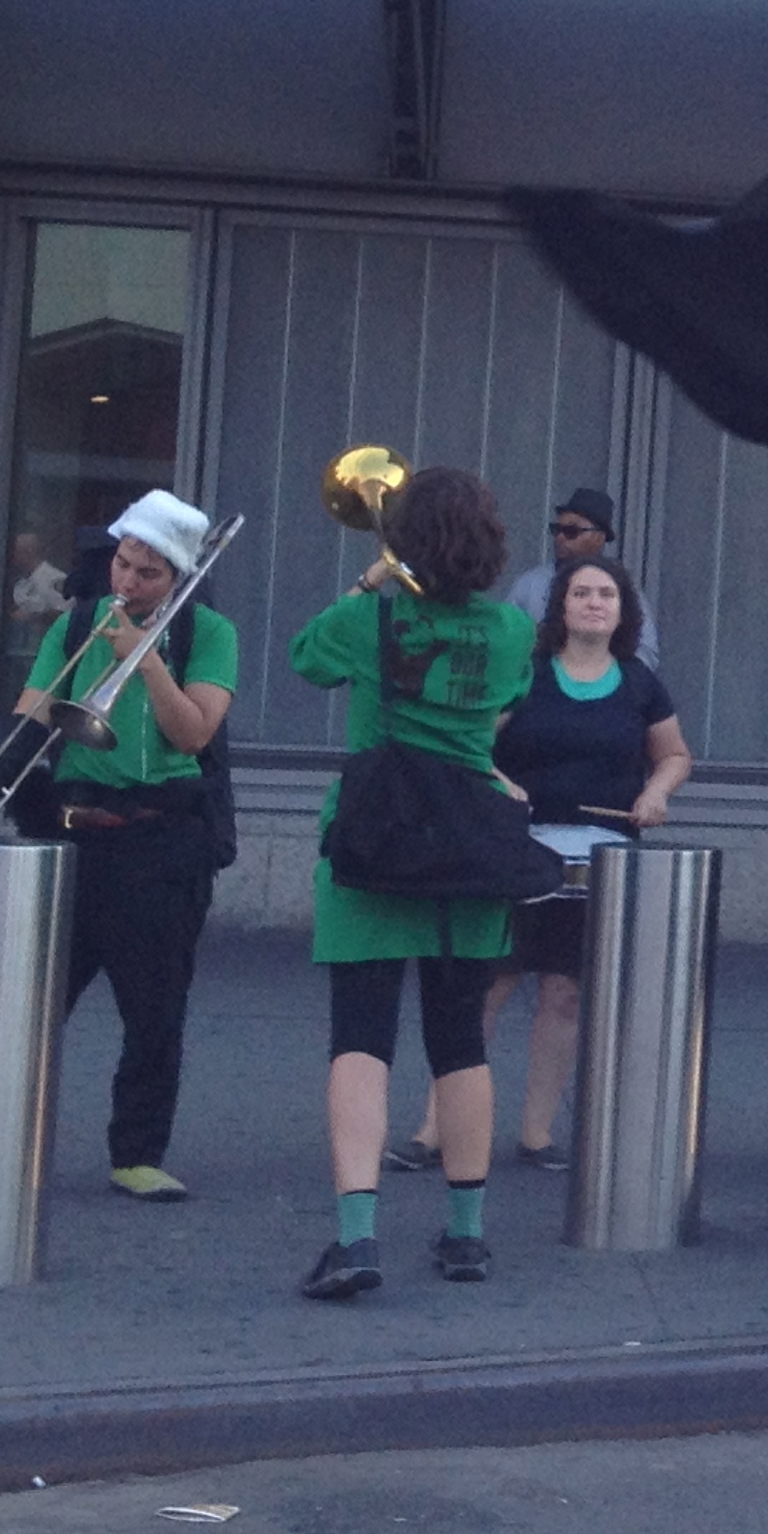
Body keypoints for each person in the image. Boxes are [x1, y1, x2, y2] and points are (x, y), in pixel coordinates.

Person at [288, 464, 536, 1300]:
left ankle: (357, 1237)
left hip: (375, 837)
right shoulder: (511, 630)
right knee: (460, 1039)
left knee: (360, 1038)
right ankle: (465, 1235)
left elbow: (305, 659)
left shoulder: (368, 617)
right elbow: (507, 699)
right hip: (469, 844)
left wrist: (369, 582)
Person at [387, 557, 689, 1174]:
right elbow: (472, 741)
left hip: (600, 860)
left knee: (564, 993)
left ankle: (537, 1133)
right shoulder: (526, 674)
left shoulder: (640, 684)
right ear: (560, 607)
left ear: (623, 611)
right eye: (582, 593)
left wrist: (657, 792)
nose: (595, 603)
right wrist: (500, 783)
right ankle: (435, 1129)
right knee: (487, 988)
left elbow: (674, 755)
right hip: (519, 853)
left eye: (606, 594)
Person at [17, 489, 236, 1201]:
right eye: (122, 564)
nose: (129, 582)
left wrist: (145, 659)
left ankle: (137, 1154)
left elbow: (194, 734)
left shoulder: (209, 633)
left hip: (160, 841)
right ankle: (7, 1137)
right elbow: (31, 718)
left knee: (154, 1011)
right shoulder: (78, 621)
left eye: (148, 573)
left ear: (176, 577)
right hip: (74, 835)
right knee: (35, 1002)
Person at [504, 486, 660, 672]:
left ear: (599, 538)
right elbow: (504, 641)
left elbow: (645, 653)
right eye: (556, 530)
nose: (560, 538)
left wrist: (603, 677)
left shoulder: (620, 588)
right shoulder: (529, 585)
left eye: (571, 531)